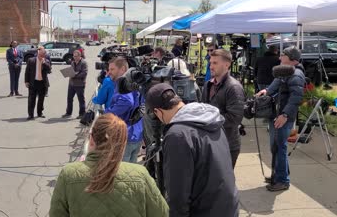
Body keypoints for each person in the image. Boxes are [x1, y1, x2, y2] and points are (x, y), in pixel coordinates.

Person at [146, 83, 239, 217]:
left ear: (158, 111)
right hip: (228, 206)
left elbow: (178, 194)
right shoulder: (212, 119)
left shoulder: (177, 135)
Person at [49, 113, 169, 217]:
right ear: (123, 142)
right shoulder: (140, 174)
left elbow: (56, 213)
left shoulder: (68, 174)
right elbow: (162, 213)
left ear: (91, 139)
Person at [256, 46, 305, 192]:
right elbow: (275, 85)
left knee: (279, 147)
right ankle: (279, 174)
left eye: (283, 55)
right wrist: (266, 91)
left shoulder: (296, 74)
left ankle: (283, 180)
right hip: (276, 114)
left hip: (283, 117)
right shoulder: (284, 71)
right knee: (275, 147)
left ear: (292, 59)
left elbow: (296, 98)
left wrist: (285, 115)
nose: (279, 58)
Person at [202, 49, 245, 168]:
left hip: (227, 144)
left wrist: (209, 120)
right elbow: (203, 108)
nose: (211, 66)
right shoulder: (208, 84)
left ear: (227, 65)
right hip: (210, 141)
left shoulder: (234, 87)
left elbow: (234, 118)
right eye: (210, 63)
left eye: (215, 63)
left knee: (224, 184)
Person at [105, 57, 144, 163]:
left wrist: (107, 113)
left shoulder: (125, 85)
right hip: (136, 134)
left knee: (121, 172)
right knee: (130, 171)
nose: (109, 73)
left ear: (122, 69)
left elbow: (127, 102)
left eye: (112, 69)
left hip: (126, 136)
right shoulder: (134, 82)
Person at [25, 47, 51, 120]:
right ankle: (30, 115)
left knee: (41, 99)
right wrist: (26, 81)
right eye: (40, 54)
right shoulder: (31, 60)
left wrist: (44, 63)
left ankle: (40, 113)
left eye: (43, 55)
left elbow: (49, 69)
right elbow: (27, 72)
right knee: (31, 99)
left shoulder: (46, 61)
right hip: (33, 82)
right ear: (38, 53)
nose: (41, 56)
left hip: (42, 83)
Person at [63, 50, 88, 119]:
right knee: (69, 99)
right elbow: (71, 71)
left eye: (76, 56)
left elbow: (84, 73)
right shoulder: (72, 62)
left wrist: (75, 75)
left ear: (80, 56)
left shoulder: (84, 63)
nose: (74, 58)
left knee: (81, 100)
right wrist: (67, 73)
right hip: (71, 84)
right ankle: (68, 113)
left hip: (80, 84)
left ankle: (82, 113)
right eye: (74, 56)